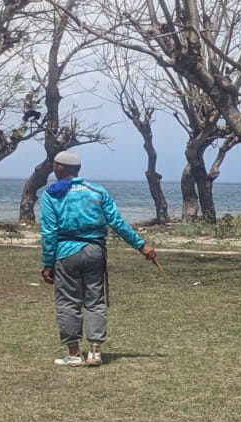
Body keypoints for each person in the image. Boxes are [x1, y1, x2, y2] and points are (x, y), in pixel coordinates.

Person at [39, 150, 159, 367]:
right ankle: (95, 351)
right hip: (95, 251)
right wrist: (141, 246)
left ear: (58, 168)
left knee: (68, 302)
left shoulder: (51, 194)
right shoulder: (97, 191)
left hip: (66, 253)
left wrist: (48, 263)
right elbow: (117, 223)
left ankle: (74, 354)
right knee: (95, 301)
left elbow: (49, 232)